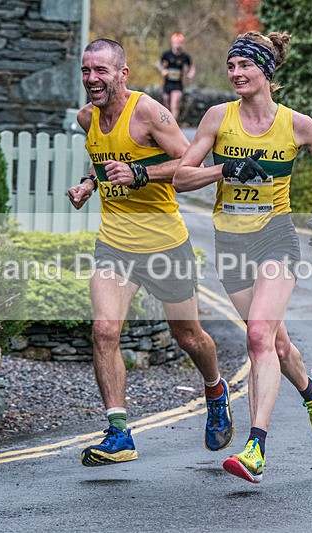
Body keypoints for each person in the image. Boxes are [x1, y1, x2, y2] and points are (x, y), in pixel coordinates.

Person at [173, 31, 312, 484]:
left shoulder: (296, 125)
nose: (235, 74)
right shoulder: (219, 117)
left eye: (244, 67)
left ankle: (255, 447)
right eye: (231, 67)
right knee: (275, 344)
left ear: (266, 72)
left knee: (258, 335)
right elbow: (180, 177)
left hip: (275, 237)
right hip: (230, 242)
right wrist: (224, 168)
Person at [67, 39, 233, 467]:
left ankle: (215, 390)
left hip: (164, 244)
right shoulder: (86, 117)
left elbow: (190, 164)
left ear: (122, 74)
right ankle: (119, 433)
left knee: (187, 336)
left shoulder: (150, 113)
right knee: (104, 330)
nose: (92, 79)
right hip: (114, 244)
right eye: (86, 71)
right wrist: (89, 184)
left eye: (101, 71)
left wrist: (141, 173)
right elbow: (103, 161)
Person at [155, 33, 195, 122]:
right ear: (172, 43)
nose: (177, 44)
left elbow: (191, 67)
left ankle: (173, 126)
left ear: (182, 44)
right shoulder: (167, 54)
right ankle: (167, 124)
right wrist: (162, 71)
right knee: (166, 106)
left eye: (179, 42)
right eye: (176, 42)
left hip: (178, 84)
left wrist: (191, 74)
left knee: (175, 104)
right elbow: (157, 63)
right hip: (167, 83)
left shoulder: (185, 57)